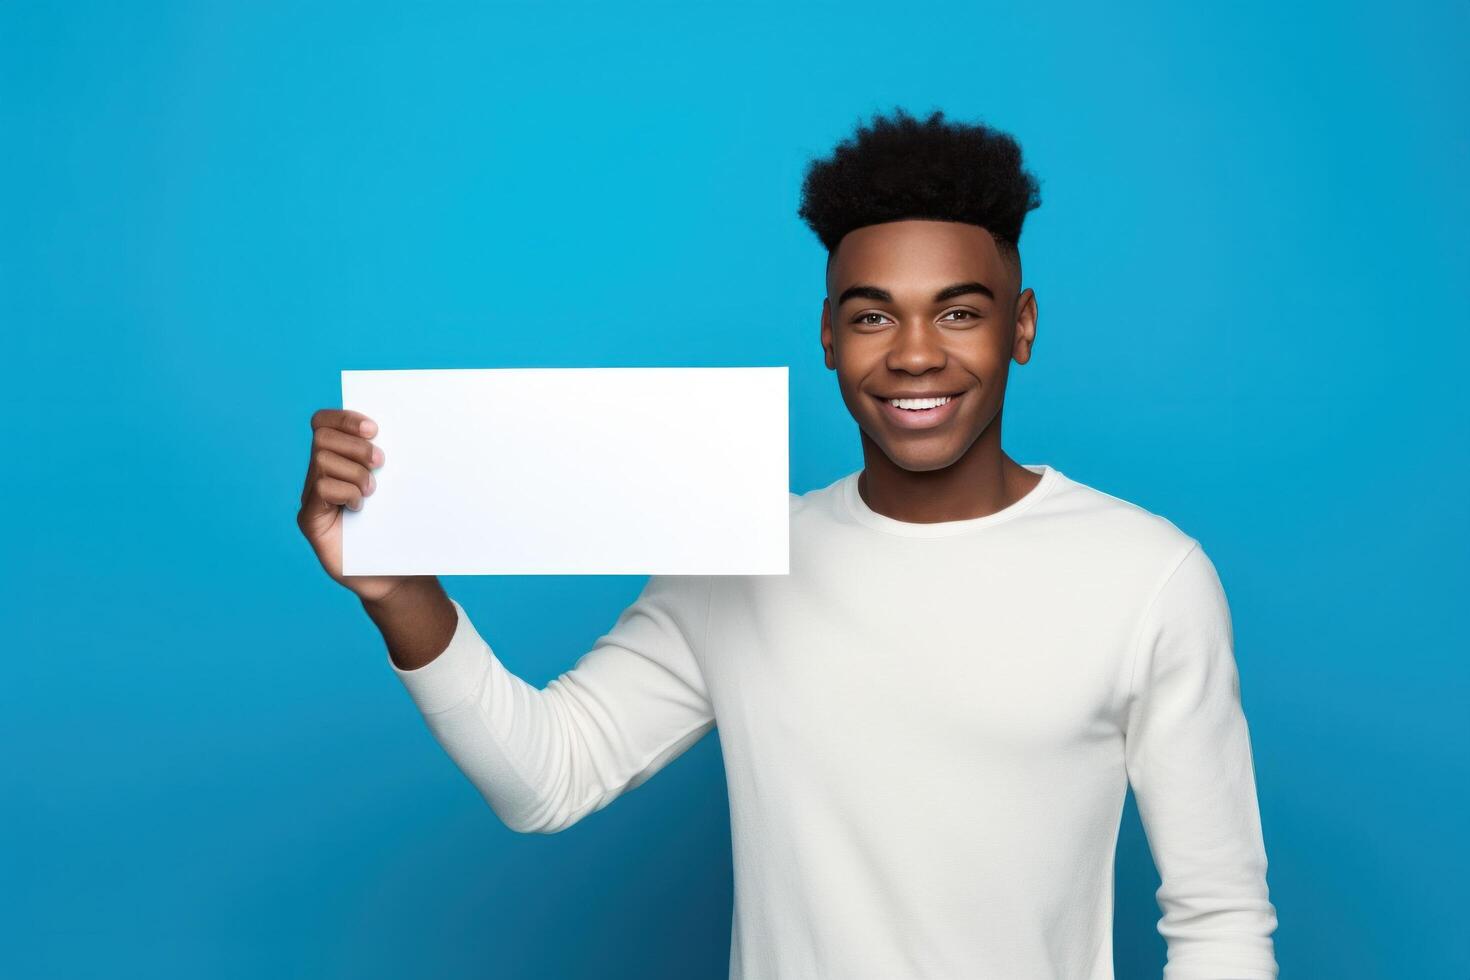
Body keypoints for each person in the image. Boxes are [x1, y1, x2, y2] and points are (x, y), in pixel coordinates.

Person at [297, 107, 1280, 979]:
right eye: (872, 315)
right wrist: (396, 590)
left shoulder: (1146, 574)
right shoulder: (740, 554)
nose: (914, 352)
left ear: (1020, 326)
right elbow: (548, 777)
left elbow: (1221, 918)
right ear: (828, 335)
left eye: (960, 311)